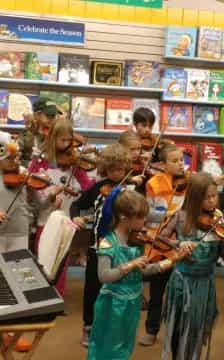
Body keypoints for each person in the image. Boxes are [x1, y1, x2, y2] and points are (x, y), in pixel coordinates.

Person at [86, 188, 189, 360]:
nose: (144, 222)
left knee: (126, 344)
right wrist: (130, 264)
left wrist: (172, 260)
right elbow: (104, 276)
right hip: (113, 304)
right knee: (108, 345)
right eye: (140, 218)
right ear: (123, 217)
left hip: (132, 302)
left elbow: (143, 271)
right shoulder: (107, 243)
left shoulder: (136, 241)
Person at [160, 172, 224, 359]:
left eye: (215, 196)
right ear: (195, 198)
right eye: (207, 197)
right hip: (183, 282)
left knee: (197, 328)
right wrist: (179, 244)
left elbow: (221, 254)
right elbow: (161, 237)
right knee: (178, 327)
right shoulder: (180, 217)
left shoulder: (219, 221)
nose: (213, 201)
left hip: (205, 283)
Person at [70, 143, 134, 346]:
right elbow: (76, 205)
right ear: (106, 169)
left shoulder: (130, 189)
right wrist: (76, 218)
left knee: (117, 289)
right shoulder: (98, 188)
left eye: (122, 169)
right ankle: (88, 327)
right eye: (114, 169)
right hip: (97, 247)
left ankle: (112, 327)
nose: (118, 174)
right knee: (92, 288)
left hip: (121, 248)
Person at [29, 118, 93, 296]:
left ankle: (58, 295)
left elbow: (87, 187)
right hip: (45, 218)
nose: (66, 145)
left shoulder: (75, 163)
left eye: (69, 140)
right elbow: (32, 190)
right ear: (52, 139)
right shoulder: (40, 162)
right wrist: (49, 197)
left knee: (62, 259)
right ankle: (42, 296)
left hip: (67, 220)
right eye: (62, 140)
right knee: (43, 257)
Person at [139, 144, 186, 346]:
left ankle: (177, 332)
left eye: (181, 160)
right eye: (174, 161)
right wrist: (169, 215)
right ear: (163, 164)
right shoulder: (154, 183)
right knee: (157, 292)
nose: (180, 165)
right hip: (158, 244)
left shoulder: (189, 183)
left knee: (180, 293)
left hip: (180, 244)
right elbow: (147, 213)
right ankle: (151, 329)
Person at [18, 97, 62, 166]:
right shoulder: (26, 134)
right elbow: (17, 158)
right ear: (37, 115)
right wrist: (29, 165)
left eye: (54, 116)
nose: (53, 120)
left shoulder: (55, 134)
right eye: (49, 116)